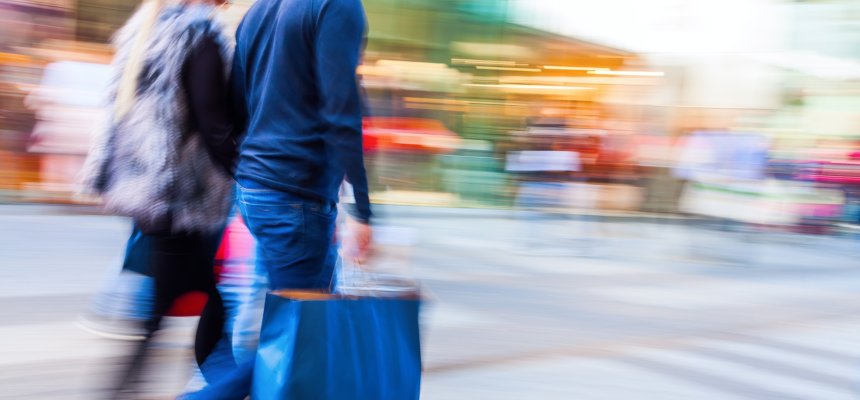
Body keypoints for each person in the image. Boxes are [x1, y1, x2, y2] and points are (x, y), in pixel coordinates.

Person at [182, 0, 373, 398]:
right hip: (295, 199)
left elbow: (237, 105)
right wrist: (361, 209)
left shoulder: (260, 10)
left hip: (258, 190)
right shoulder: (338, 7)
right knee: (299, 337)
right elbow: (341, 109)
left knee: (306, 327)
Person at [78, 0, 238, 396]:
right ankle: (212, 387)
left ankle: (218, 386)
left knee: (206, 300)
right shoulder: (197, 33)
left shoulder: (146, 27)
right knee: (170, 313)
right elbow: (212, 122)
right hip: (178, 197)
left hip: (145, 192)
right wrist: (246, 171)